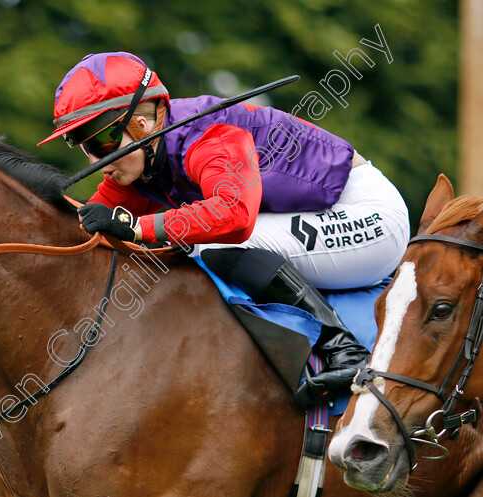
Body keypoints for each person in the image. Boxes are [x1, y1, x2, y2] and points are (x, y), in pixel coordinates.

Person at [38, 51, 410, 406]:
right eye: (83, 145)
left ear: (145, 122)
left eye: (102, 141)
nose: (96, 160)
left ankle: (344, 351)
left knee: (207, 246)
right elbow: (86, 223)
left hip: (366, 216)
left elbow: (233, 214)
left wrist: (137, 227)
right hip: (312, 215)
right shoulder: (140, 161)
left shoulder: (210, 136)